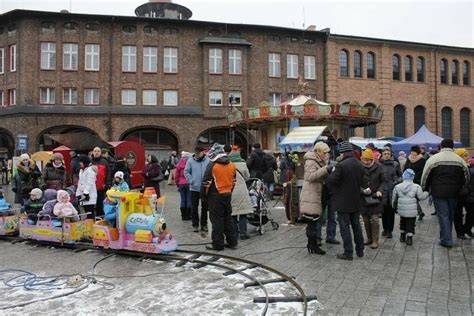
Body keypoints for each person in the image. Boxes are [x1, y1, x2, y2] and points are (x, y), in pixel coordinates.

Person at [421, 138, 469, 248]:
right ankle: (446, 237)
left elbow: (425, 175)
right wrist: (462, 187)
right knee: (450, 215)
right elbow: (466, 176)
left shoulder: (434, 159)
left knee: (443, 215)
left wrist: (425, 188)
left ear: (441, 146)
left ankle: (446, 239)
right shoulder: (459, 160)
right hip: (455, 192)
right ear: (452, 147)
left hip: (438, 191)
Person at [326, 141, 367, 260]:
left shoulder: (341, 165)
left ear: (342, 153)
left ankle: (348, 252)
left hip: (343, 201)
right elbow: (363, 182)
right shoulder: (359, 164)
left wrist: (330, 172)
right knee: (356, 226)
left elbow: (331, 181)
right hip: (355, 200)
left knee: (344, 227)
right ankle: (360, 250)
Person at [203, 143, 238, 251]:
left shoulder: (213, 165)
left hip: (215, 196)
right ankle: (232, 242)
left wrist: (203, 197)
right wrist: (229, 191)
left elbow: (206, 183)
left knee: (217, 221)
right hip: (227, 195)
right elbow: (234, 181)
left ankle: (218, 244)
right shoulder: (232, 165)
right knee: (228, 219)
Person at [300, 142, 331, 255]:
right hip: (311, 195)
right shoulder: (311, 161)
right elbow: (310, 177)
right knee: (312, 222)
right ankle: (313, 246)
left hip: (315, 195)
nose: (326, 155)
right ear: (318, 151)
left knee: (314, 221)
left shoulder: (318, 161)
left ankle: (312, 244)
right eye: (325, 152)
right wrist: (326, 169)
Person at [392, 169, 429, 245]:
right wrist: (426, 193)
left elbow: (394, 199)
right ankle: (409, 238)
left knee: (402, 221)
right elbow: (421, 197)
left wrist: (394, 207)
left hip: (401, 209)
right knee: (411, 223)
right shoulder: (417, 187)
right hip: (412, 210)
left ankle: (402, 236)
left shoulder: (397, 187)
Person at [360, 149, 386, 249]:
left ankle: (375, 240)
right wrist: (362, 190)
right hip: (363, 197)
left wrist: (380, 190)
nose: (366, 162)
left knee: (375, 220)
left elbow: (384, 181)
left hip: (375, 197)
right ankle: (369, 238)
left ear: (372, 159)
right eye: (364, 160)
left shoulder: (379, 167)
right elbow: (356, 181)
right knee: (366, 220)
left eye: (368, 160)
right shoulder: (360, 168)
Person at [228, 145, 253, 240]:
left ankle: (234, 233)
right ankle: (243, 233)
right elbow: (247, 176)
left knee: (233, 213)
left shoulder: (228, 165)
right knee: (243, 213)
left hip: (231, 189)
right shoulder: (243, 164)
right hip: (242, 189)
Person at [185, 146, 210, 232]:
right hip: (194, 188)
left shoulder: (208, 160)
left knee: (205, 208)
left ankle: (204, 225)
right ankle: (195, 225)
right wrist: (191, 180)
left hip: (205, 188)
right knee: (194, 207)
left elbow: (211, 171)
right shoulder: (190, 161)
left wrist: (209, 181)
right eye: (197, 152)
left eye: (201, 152)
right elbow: (186, 172)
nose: (199, 154)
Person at [379, 147, 402, 239]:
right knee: (383, 211)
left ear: (391, 154)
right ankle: (385, 229)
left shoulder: (395, 164)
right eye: (385, 154)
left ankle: (390, 230)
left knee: (391, 212)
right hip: (383, 190)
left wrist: (396, 181)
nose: (386, 155)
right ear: (382, 155)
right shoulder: (379, 164)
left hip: (392, 190)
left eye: (388, 154)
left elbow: (401, 176)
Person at [404, 145, 427, 221]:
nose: (413, 154)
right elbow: (405, 168)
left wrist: (415, 177)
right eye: (412, 152)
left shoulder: (422, 160)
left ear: (417, 152)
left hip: (416, 181)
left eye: (414, 152)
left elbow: (422, 171)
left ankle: (418, 213)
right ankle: (420, 212)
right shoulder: (409, 158)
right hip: (407, 181)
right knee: (412, 198)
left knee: (413, 198)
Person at [453, 148, 471, 239]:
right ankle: (460, 232)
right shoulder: (456, 167)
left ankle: (467, 229)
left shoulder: (471, 165)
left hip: (469, 194)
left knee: (471, 213)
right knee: (458, 214)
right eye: (465, 156)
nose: (467, 157)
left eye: (467, 155)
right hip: (458, 193)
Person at [91, 147, 111, 217]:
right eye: (95, 151)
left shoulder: (104, 162)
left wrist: (107, 183)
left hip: (101, 187)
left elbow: (108, 173)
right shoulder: (90, 162)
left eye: (98, 151)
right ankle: (93, 218)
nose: (96, 152)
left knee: (101, 203)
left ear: (100, 153)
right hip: (92, 187)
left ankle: (101, 217)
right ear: (93, 152)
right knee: (92, 204)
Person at [175, 151, 192, 221]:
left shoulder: (179, 164)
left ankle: (183, 216)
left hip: (181, 184)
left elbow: (176, 176)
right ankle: (188, 215)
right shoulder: (190, 164)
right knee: (189, 199)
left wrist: (177, 184)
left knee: (182, 199)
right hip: (189, 183)